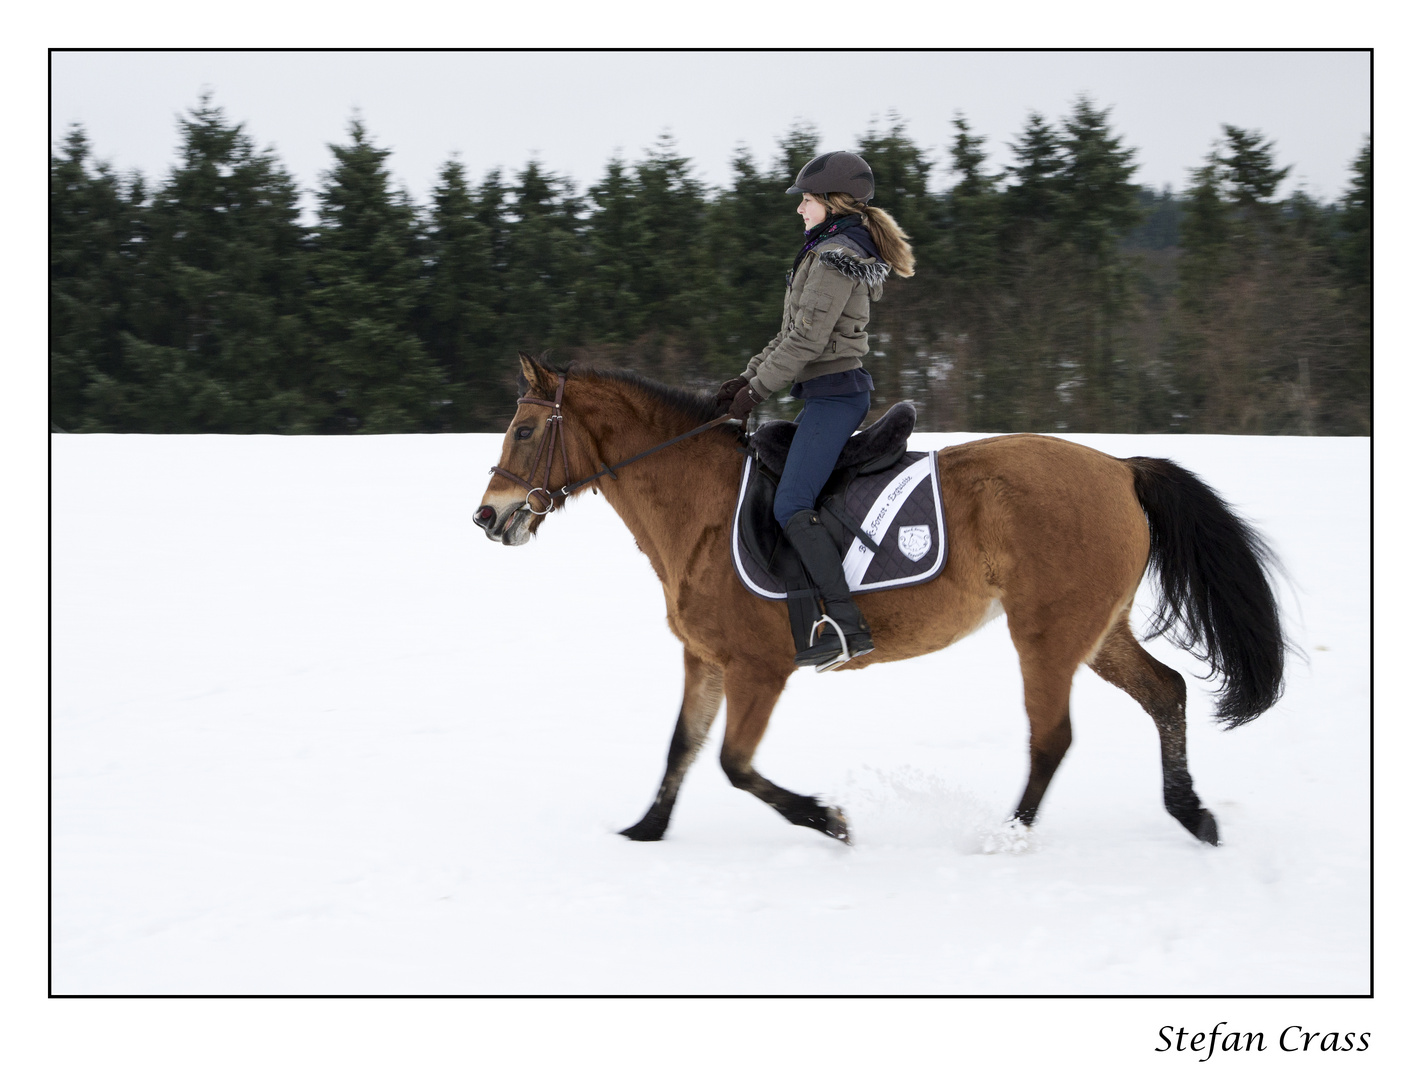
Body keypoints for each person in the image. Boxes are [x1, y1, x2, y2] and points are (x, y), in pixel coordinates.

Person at [715, 151, 915, 668]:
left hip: (837, 397)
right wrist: (745, 377)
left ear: (831, 203)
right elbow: (789, 335)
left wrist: (755, 392)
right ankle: (809, 617)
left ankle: (847, 626)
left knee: (789, 504)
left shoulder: (832, 257)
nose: (799, 210)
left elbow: (806, 341)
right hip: (825, 393)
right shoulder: (826, 250)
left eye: (805, 201)